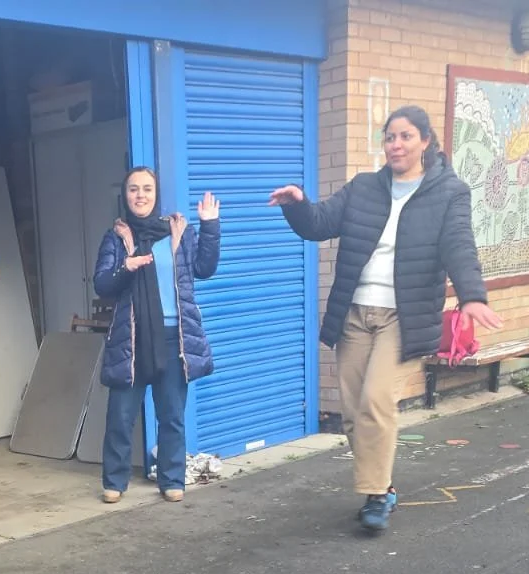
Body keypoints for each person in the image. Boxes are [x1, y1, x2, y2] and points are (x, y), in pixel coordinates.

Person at [272, 105, 502, 533]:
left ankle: (376, 495)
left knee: (377, 401)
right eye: (390, 137)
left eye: (405, 136)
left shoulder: (449, 192)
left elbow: (458, 245)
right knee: (353, 412)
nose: (395, 144)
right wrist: (298, 205)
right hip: (354, 313)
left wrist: (472, 296)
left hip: (404, 315)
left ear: (425, 142)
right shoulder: (363, 187)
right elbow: (320, 224)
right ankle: (384, 483)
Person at [93, 168, 221, 503]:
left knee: (172, 415)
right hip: (131, 339)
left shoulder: (178, 231)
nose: (140, 195)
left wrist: (210, 226)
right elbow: (102, 284)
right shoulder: (116, 238)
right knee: (120, 416)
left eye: (147, 189)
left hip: (173, 337)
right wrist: (126, 268)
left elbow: (205, 268)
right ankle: (115, 482)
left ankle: (172, 478)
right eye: (133, 189)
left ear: (156, 193)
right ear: (125, 194)